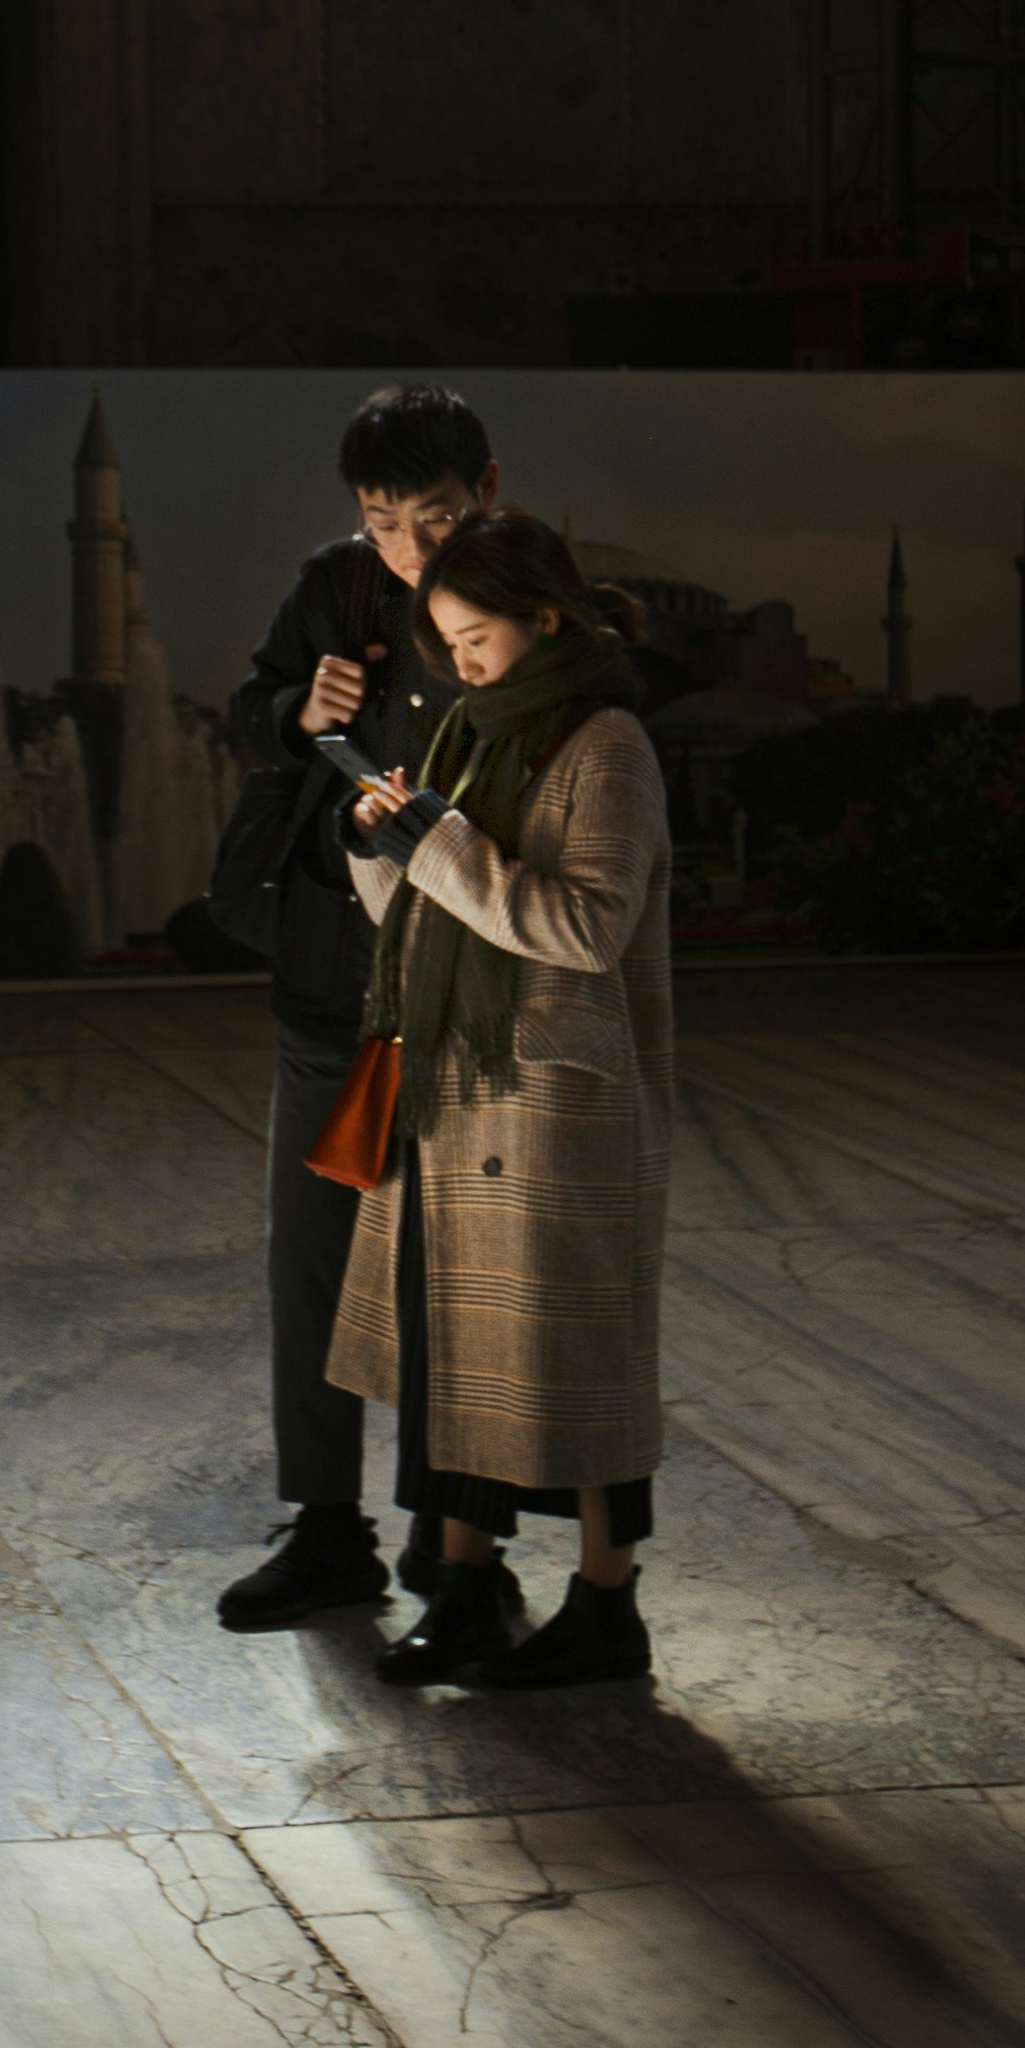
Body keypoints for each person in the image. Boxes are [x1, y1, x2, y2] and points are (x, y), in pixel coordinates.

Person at [328, 503, 673, 1694]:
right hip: (457, 1082)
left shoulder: (605, 743)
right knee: (459, 1355)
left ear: (544, 620)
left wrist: (434, 845)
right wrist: (379, 846)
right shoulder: (471, 732)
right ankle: (464, 1590)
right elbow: (429, 914)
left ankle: (606, 1605)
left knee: (581, 1362)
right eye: (447, 643)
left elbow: (585, 928)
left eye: (476, 639)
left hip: (553, 1103)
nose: (460, 664)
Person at [210, 380, 500, 1631]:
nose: (409, 548)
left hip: (466, 984)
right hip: (333, 975)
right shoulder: (333, 585)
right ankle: (326, 1525)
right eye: (384, 521)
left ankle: (456, 1540)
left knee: (459, 1275)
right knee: (312, 1260)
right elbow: (250, 714)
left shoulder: (527, 593)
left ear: (486, 490)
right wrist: (298, 711)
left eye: (433, 517)